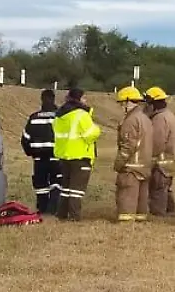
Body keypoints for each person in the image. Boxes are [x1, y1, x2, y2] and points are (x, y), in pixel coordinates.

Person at [52, 88, 101, 221]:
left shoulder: (59, 115)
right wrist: (97, 129)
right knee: (76, 190)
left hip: (64, 155)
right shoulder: (81, 114)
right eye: (84, 98)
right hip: (80, 156)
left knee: (66, 188)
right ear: (79, 99)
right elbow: (90, 135)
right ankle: (74, 216)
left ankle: (61, 213)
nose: (86, 101)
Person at [113, 86, 155, 223]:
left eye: (121, 103)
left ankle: (126, 225)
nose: (120, 107)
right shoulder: (145, 118)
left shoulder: (131, 120)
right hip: (144, 166)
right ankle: (139, 222)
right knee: (141, 202)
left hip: (131, 167)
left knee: (127, 198)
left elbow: (127, 146)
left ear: (127, 101)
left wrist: (118, 164)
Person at [21, 89, 60, 215]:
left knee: (41, 185)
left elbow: (25, 139)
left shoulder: (34, 117)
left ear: (42, 100)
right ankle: (54, 208)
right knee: (57, 182)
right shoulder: (60, 117)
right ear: (54, 99)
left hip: (39, 158)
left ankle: (42, 208)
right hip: (57, 157)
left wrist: (31, 152)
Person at [144, 86, 175, 217]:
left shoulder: (159, 118)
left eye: (147, 103)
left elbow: (157, 143)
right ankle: (170, 211)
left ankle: (158, 215)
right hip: (168, 160)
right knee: (165, 187)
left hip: (160, 162)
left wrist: (148, 157)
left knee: (158, 188)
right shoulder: (168, 115)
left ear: (153, 103)